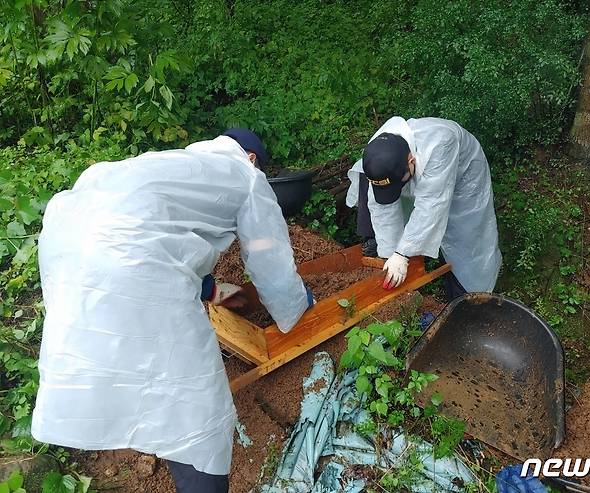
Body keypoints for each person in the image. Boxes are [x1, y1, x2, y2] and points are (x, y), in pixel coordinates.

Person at [32, 129, 314, 493]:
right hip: (132, 268)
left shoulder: (175, 165)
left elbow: (154, 235)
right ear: (252, 158)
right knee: (195, 413)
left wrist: (213, 290)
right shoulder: (246, 176)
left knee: (125, 369)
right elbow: (268, 257)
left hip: (65, 253)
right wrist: (296, 305)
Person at [346, 116, 501, 300]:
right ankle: (413, 266)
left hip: (464, 179)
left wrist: (403, 254)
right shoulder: (378, 153)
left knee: (466, 239)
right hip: (417, 177)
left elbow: (431, 205)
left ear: (411, 160)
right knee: (403, 240)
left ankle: (466, 296)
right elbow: (383, 209)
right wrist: (390, 255)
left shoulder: (441, 143)